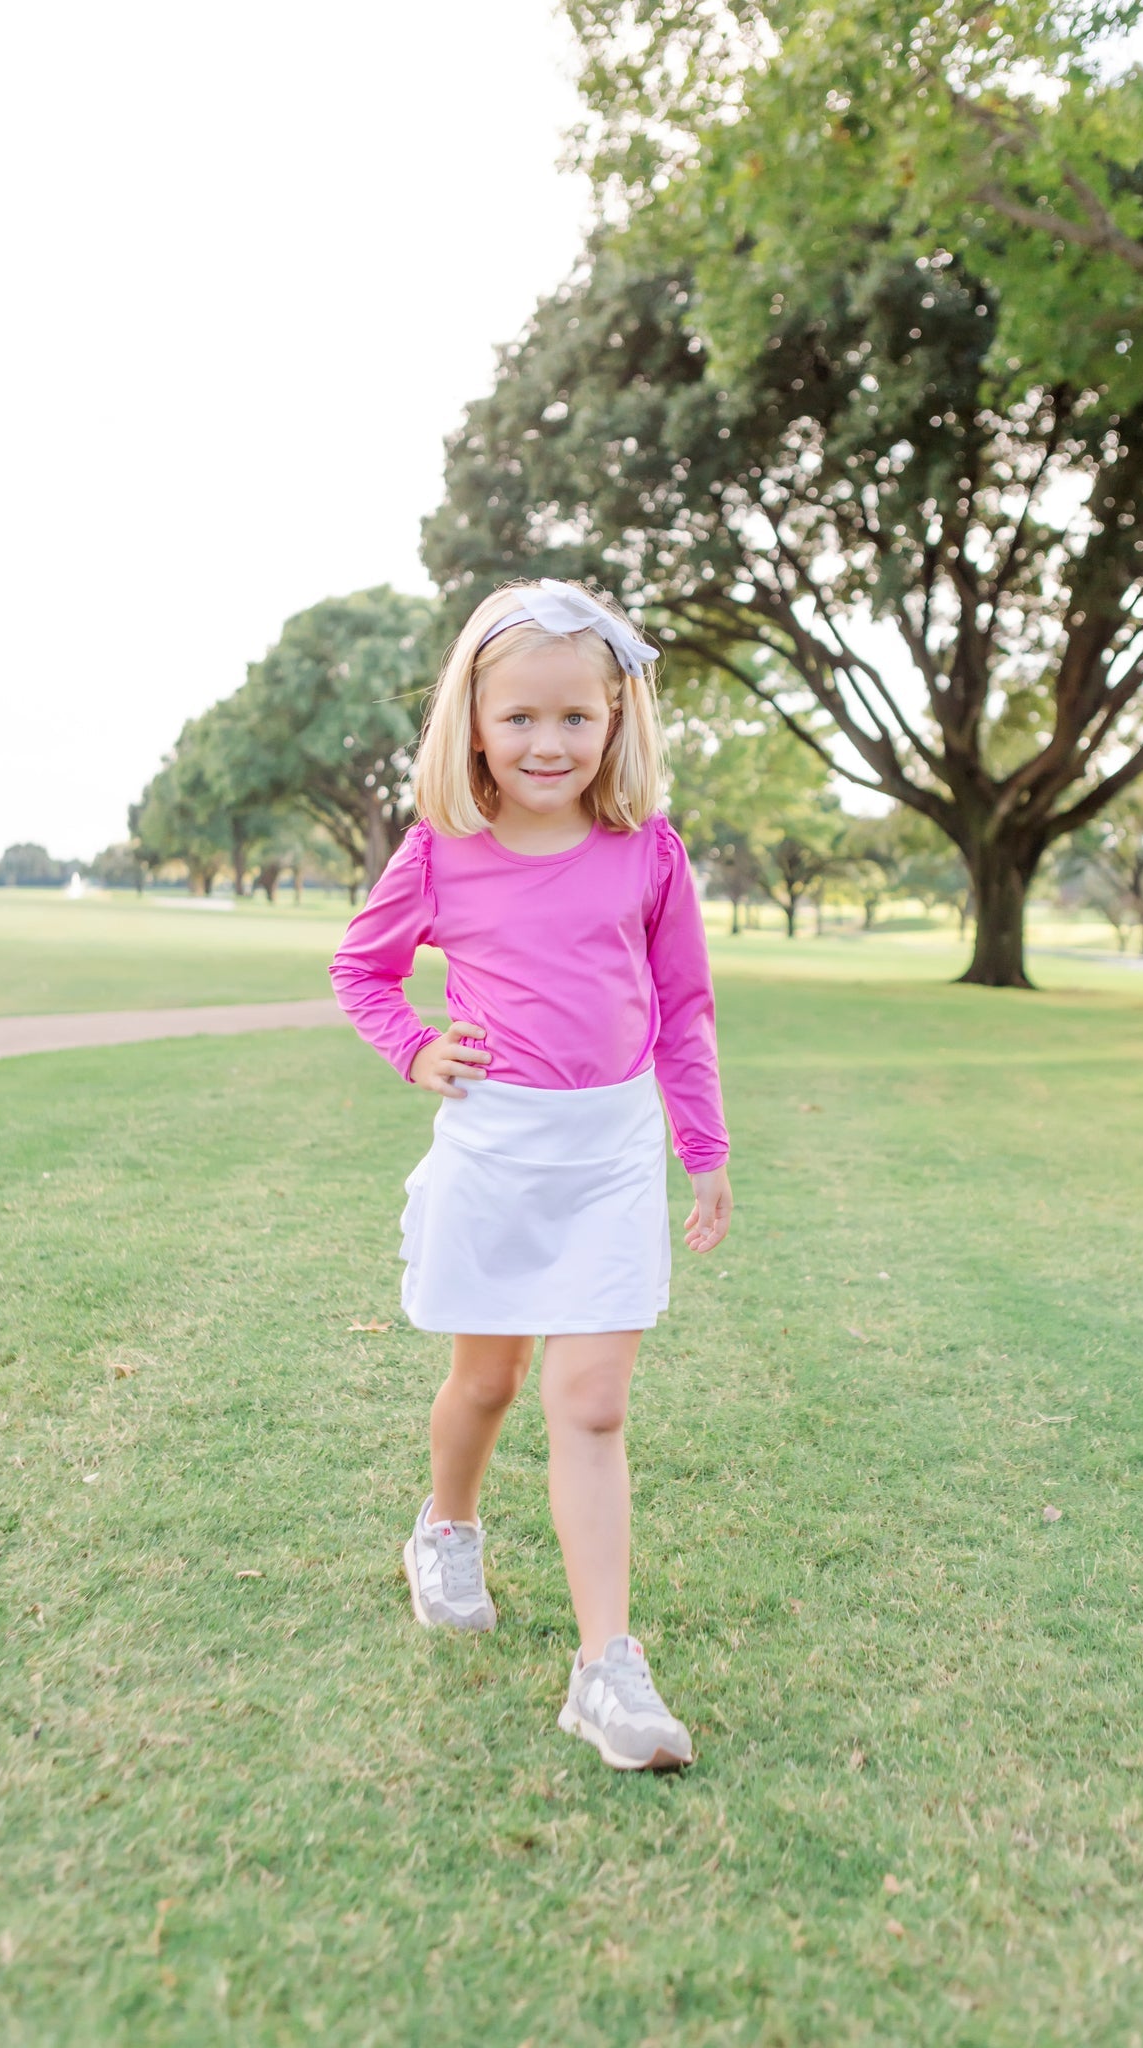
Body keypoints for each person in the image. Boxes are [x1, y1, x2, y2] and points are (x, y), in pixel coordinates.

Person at [327, 577, 733, 1772]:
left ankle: (607, 1668)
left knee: (593, 1400)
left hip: (610, 1153)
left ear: (616, 722)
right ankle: (445, 1524)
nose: (548, 742)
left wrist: (701, 1149)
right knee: (489, 1380)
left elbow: (686, 1009)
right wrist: (414, 1046)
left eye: (575, 717)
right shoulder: (443, 853)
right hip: (496, 1147)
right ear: (474, 722)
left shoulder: (647, 852)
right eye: (520, 718)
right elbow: (362, 970)